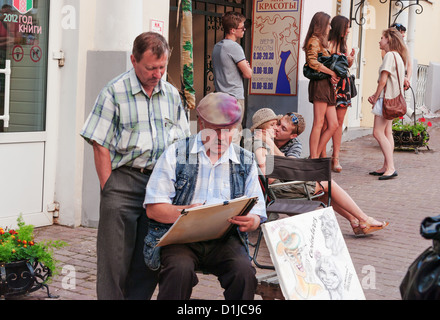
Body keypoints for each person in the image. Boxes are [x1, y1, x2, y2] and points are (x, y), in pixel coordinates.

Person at [80, 32, 191, 300]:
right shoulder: (113, 92)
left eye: (162, 67)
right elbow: (99, 143)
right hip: (124, 181)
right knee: (114, 261)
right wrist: (110, 188)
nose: (157, 74)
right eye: (151, 68)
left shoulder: (172, 95)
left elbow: (183, 143)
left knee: (149, 255)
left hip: (160, 186)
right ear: (133, 60)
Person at [144, 92, 266, 300]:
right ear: (201, 124)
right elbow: (154, 209)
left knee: (244, 273)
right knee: (178, 271)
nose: (221, 137)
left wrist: (251, 221)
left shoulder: (245, 160)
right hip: (181, 239)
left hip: (224, 239)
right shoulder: (176, 153)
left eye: (228, 130)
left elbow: (257, 211)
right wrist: (185, 213)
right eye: (215, 130)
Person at [250, 108, 389, 235]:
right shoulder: (261, 145)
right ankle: (363, 218)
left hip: (283, 187)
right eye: (274, 124)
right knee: (328, 184)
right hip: (277, 191)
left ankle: (355, 220)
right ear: (262, 129)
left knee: (322, 193)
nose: (277, 128)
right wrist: (270, 144)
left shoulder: (289, 144)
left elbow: (291, 167)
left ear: (292, 135)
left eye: (280, 126)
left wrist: (271, 144)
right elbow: (270, 177)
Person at [368, 28, 408, 180]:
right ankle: (386, 166)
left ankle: (390, 167)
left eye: (382, 38)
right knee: (387, 133)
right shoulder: (398, 56)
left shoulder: (390, 55)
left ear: (389, 40)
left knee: (377, 132)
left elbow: (383, 80)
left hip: (386, 99)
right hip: (393, 98)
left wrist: (374, 97)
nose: (380, 40)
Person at [303, 12, 340, 159]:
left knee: (333, 124)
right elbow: (312, 62)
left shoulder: (321, 41)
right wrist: (331, 72)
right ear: (321, 25)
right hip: (319, 84)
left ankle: (315, 157)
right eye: (328, 24)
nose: (330, 27)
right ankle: (314, 158)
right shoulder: (314, 40)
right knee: (318, 123)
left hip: (326, 84)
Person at [321, 15, 356, 173]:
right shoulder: (326, 43)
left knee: (339, 123)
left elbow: (346, 65)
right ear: (339, 27)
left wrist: (350, 60)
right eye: (347, 27)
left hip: (343, 84)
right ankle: (322, 156)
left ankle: (335, 158)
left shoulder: (344, 45)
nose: (348, 30)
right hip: (329, 84)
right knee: (325, 123)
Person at [212, 11, 252, 143]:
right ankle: (231, 163)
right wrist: (246, 67)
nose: (244, 29)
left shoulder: (217, 47)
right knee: (234, 135)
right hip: (234, 97)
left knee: (221, 134)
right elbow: (248, 74)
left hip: (220, 97)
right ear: (233, 30)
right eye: (242, 27)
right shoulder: (235, 47)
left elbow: (226, 69)